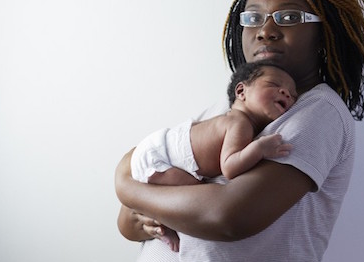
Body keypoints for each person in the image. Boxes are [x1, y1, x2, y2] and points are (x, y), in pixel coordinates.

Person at [114, 0, 364, 262]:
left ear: (325, 32)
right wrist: (143, 201)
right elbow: (129, 222)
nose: (265, 30)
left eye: (288, 18)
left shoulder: (318, 113)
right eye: (252, 17)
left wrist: (127, 185)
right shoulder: (234, 104)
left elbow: (228, 217)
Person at [124, 61, 298, 251]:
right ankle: (166, 230)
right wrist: (260, 149)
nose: (286, 93)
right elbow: (230, 166)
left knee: (186, 198)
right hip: (158, 157)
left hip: (157, 148)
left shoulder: (232, 120)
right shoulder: (240, 124)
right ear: (241, 92)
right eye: (274, 84)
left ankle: (164, 226)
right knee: (194, 196)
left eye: (293, 95)